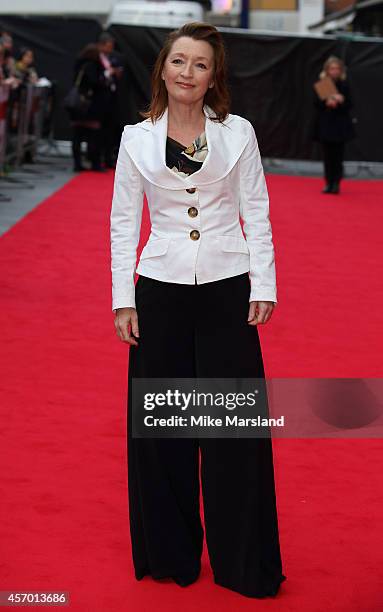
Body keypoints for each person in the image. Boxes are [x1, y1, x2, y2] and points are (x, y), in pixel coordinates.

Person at [110, 22, 286, 598]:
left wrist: (264, 283)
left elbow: (255, 211)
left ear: (215, 76)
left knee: (233, 430)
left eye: (201, 64)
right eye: (179, 61)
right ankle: (171, 554)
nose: (187, 72)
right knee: (164, 431)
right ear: (162, 69)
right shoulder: (136, 138)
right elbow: (122, 225)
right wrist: (123, 298)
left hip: (227, 286)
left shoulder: (239, 134)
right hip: (158, 288)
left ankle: (244, 562)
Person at [312, 56, 356, 195]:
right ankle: (328, 182)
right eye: (332, 68)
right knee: (327, 155)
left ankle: (336, 182)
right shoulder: (323, 83)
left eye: (337, 68)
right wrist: (327, 103)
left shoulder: (344, 85)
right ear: (327, 70)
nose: (334, 71)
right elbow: (316, 104)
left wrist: (340, 100)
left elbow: (350, 105)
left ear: (340, 70)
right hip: (326, 125)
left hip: (340, 126)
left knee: (338, 155)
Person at [69, 43, 110, 172]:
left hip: (78, 106)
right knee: (94, 136)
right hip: (90, 106)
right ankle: (95, 163)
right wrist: (104, 80)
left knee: (77, 135)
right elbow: (95, 82)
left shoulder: (79, 64)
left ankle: (77, 163)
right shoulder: (93, 66)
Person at [97, 32, 124, 168]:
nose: (110, 49)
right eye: (108, 46)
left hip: (112, 98)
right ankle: (98, 158)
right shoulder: (95, 58)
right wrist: (109, 73)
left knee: (111, 130)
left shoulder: (114, 58)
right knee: (99, 132)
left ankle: (109, 157)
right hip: (99, 100)